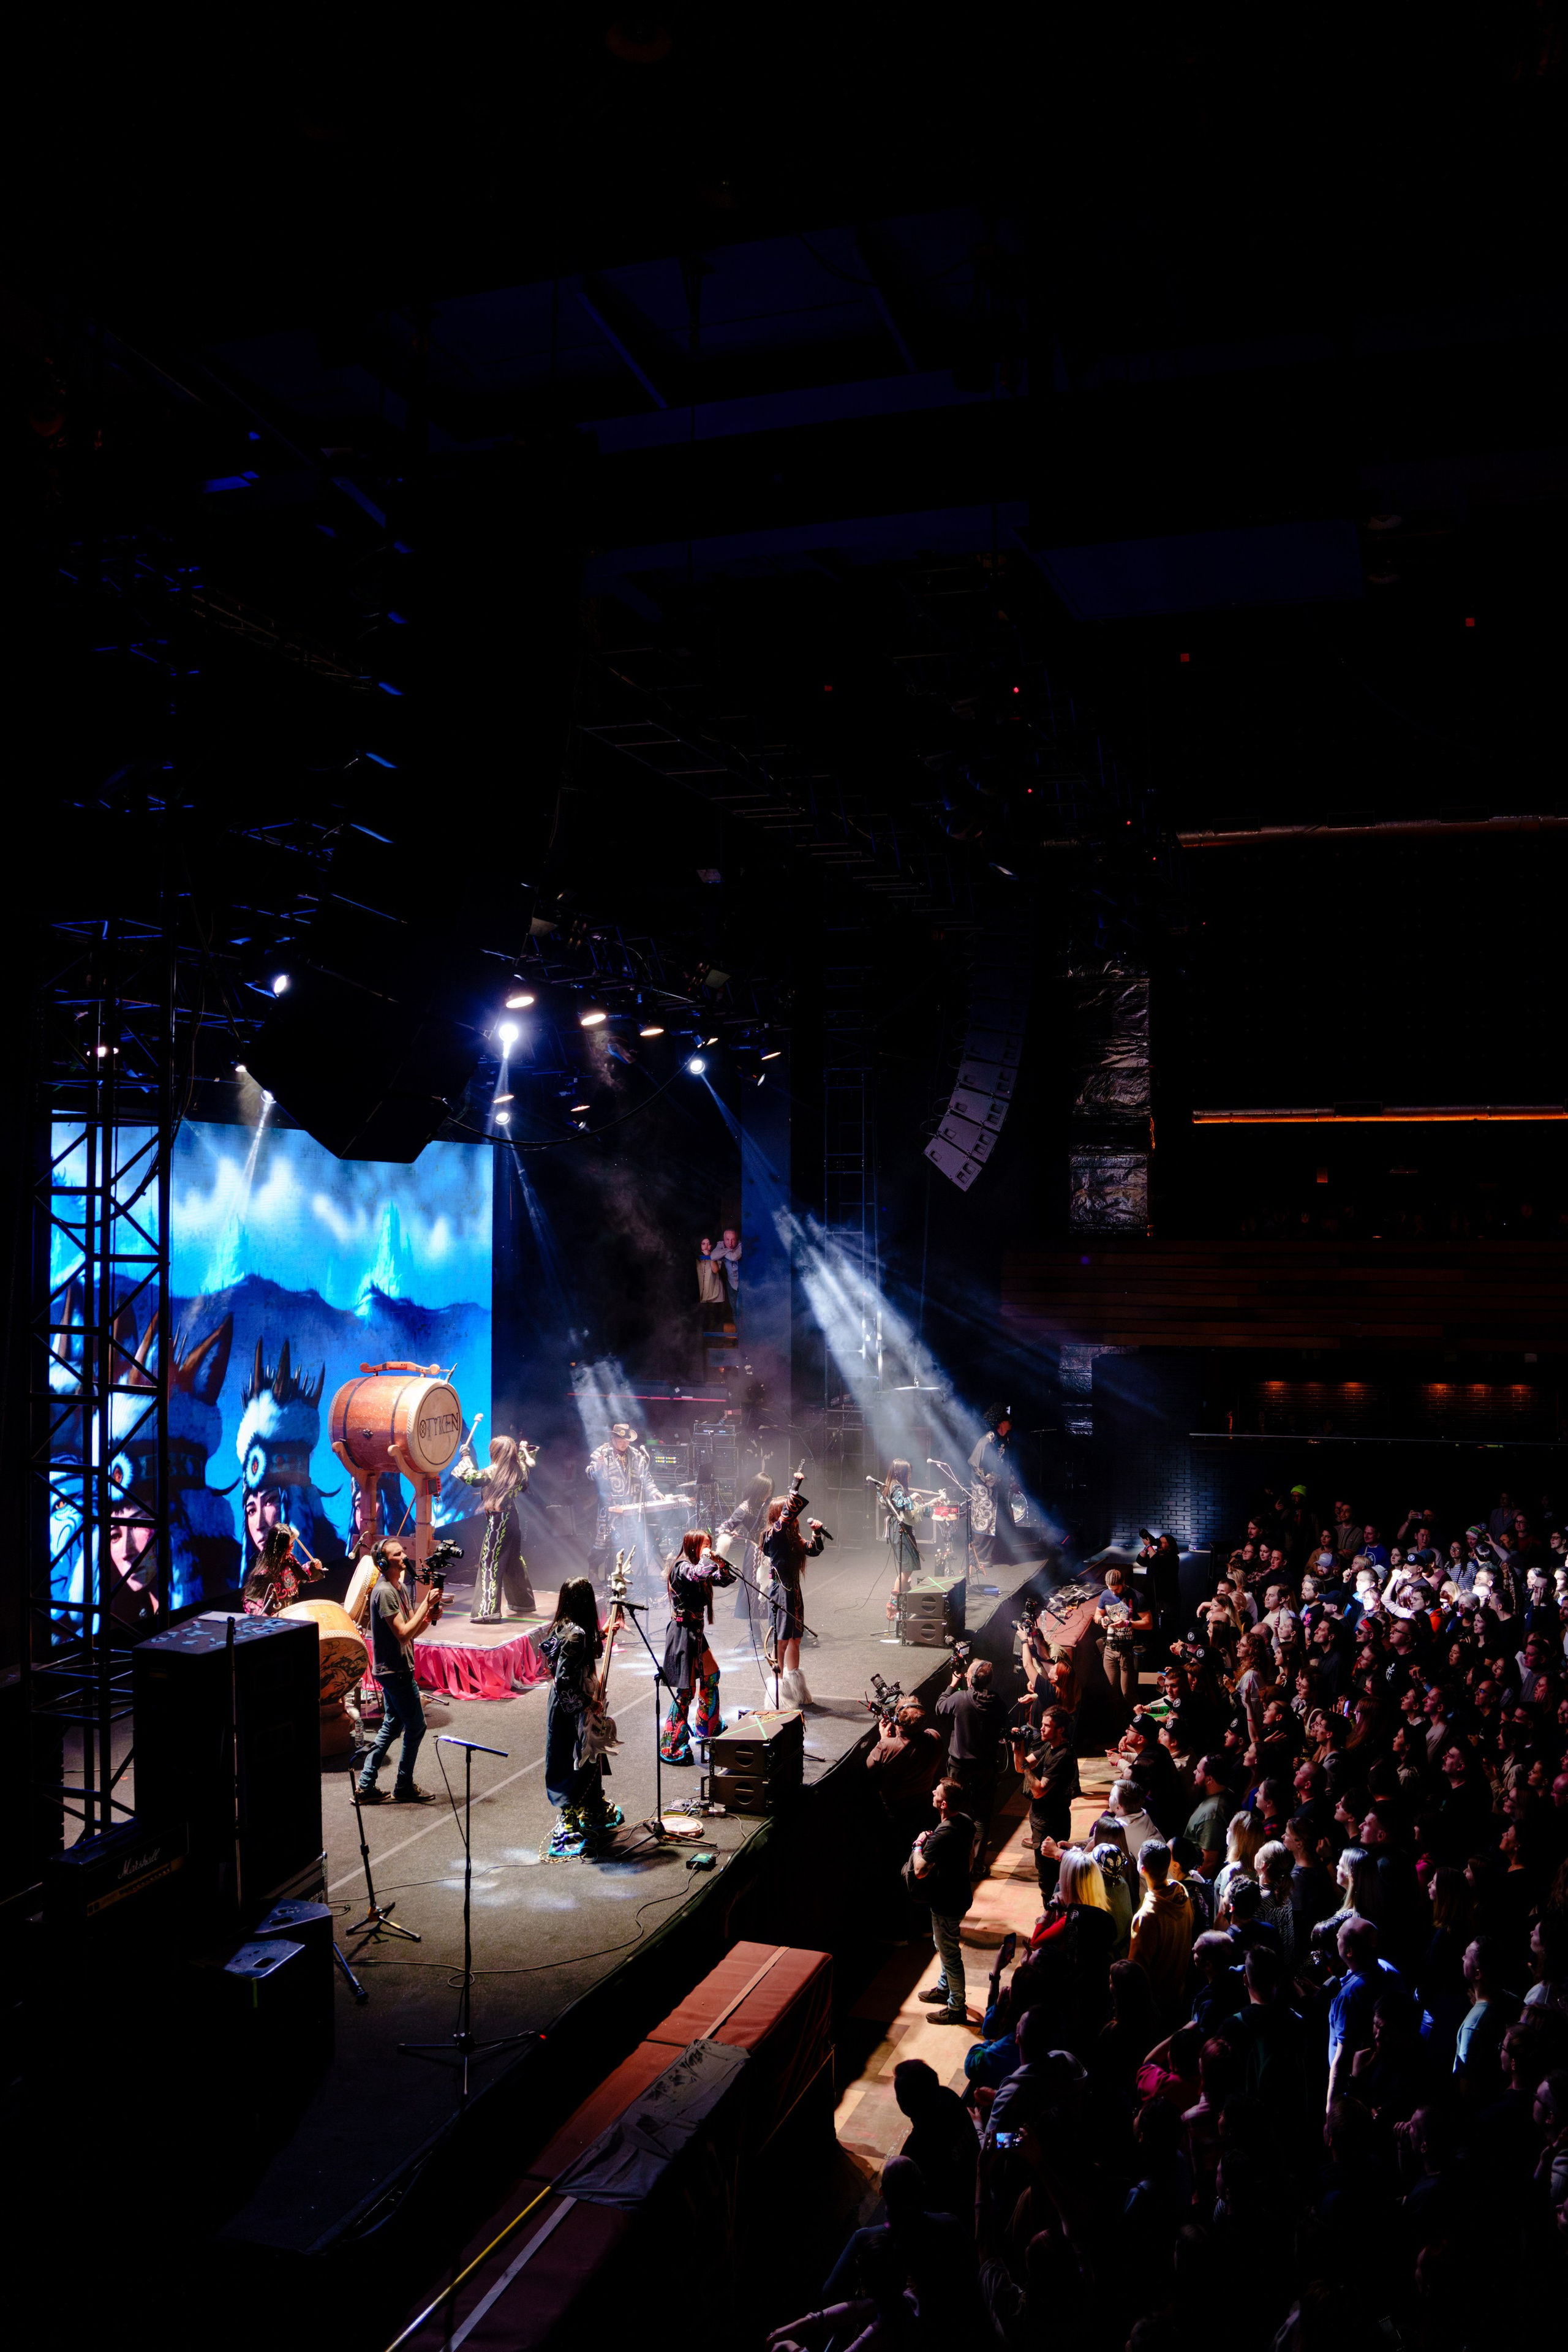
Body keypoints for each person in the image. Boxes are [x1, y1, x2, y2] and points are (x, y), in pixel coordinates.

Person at [540, 1575, 625, 1859]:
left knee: (589, 1755)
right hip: (572, 1707)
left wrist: (604, 1633)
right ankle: (570, 1820)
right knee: (573, 1758)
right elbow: (565, 1680)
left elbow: (579, 1654)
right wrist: (589, 1703)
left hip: (566, 1704)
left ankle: (592, 1808)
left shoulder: (565, 1626)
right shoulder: (576, 1634)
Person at [355, 1539, 442, 1805]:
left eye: (403, 1551)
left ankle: (365, 1786)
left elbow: (412, 1631)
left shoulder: (400, 1588)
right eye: (397, 1554)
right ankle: (403, 1785)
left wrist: (428, 1617)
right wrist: (426, 1603)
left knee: (392, 1726)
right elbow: (402, 1634)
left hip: (398, 1669)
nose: (404, 1556)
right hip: (395, 1672)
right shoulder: (384, 1592)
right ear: (384, 1562)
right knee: (417, 1727)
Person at [658, 1529, 734, 1763]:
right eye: (704, 1544)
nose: (708, 1547)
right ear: (693, 1546)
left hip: (696, 1633)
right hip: (682, 1634)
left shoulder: (701, 1567)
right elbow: (698, 1574)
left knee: (711, 1677)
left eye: (710, 1543)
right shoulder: (682, 1567)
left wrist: (722, 1563)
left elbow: (725, 1580)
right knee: (686, 1692)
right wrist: (708, 1558)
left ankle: (707, 1727)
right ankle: (671, 1746)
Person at [451, 1427, 537, 1620]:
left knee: (489, 1562)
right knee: (513, 1560)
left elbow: (471, 1478)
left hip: (499, 1521)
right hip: (512, 1518)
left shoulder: (494, 1471)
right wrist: (524, 1451)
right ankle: (523, 1602)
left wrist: (465, 1456)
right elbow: (525, 1466)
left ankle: (486, 1611)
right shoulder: (519, 1469)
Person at [910, 1777, 976, 2022]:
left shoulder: (942, 1834)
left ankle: (956, 2008)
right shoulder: (966, 1822)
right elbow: (969, 1856)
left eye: (936, 1793)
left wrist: (918, 1845)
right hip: (961, 1895)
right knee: (943, 1944)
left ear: (944, 1804)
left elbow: (920, 1870)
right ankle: (944, 1988)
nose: (933, 1794)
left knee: (949, 1953)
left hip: (946, 1903)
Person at [763, 1487, 824, 1708]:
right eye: (790, 1513)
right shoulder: (773, 1534)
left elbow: (813, 1549)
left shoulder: (791, 1535)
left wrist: (816, 1534)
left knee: (795, 1639)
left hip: (794, 1591)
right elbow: (785, 1518)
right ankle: (778, 1695)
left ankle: (797, 1689)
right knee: (781, 1641)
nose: (794, 1517)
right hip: (781, 1592)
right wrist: (795, 1487)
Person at [1012, 1705, 1080, 1898]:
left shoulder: (1063, 1755)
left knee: (1048, 1878)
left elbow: (1039, 1790)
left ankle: (1052, 1911)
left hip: (1052, 1824)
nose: (1041, 1729)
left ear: (1060, 1729)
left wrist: (1025, 1767)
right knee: (1046, 1874)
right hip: (1041, 1820)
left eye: (1047, 1726)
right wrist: (1017, 1747)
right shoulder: (1049, 1747)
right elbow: (1021, 1767)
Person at [936, 1654, 1007, 1838]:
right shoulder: (998, 1702)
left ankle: (957, 1848)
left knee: (954, 1810)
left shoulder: (960, 1698)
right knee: (982, 1815)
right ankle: (977, 1855)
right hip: (986, 1767)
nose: (966, 1676)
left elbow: (940, 1708)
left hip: (959, 1766)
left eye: (968, 1674)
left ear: (973, 1680)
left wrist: (953, 1684)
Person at [1128, 1838, 1195, 2025]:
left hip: (1155, 2006)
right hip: (1179, 1994)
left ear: (1142, 1869)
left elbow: (1136, 1970)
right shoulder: (1182, 1893)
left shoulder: (1146, 1917)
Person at [583, 1422, 655, 1589]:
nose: (625, 1443)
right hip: (609, 1507)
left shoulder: (635, 1454)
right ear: (613, 1438)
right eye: (621, 1440)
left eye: (627, 1440)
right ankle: (593, 1571)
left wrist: (654, 1491)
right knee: (602, 1542)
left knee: (628, 1542)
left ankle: (621, 1573)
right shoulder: (602, 1453)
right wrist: (598, 1467)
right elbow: (589, 1474)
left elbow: (646, 1476)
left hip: (630, 1507)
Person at [717, 1469, 774, 1624]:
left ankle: (774, 1627)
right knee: (754, 1587)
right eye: (767, 1491)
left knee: (772, 1586)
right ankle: (754, 1630)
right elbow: (725, 1527)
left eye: (770, 1491)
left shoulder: (769, 1504)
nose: (769, 1494)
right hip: (755, 1551)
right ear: (759, 1490)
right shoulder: (745, 1508)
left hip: (771, 1550)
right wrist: (729, 1533)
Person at [880, 1457, 931, 1628]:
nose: (910, 1476)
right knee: (906, 1569)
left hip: (901, 1528)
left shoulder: (895, 1485)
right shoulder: (896, 1486)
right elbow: (901, 1504)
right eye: (908, 1473)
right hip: (899, 1529)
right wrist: (914, 1497)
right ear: (901, 1472)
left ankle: (904, 1600)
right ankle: (892, 1606)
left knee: (907, 1569)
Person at [241, 1520, 325, 1616]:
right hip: (274, 1621)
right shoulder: (264, 1572)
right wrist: (265, 1619)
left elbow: (300, 1576)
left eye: (293, 1544)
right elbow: (249, 1601)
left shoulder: (289, 1560)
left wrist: (314, 1566)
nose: (292, 1548)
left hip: (289, 1614)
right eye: (288, 1546)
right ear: (279, 1547)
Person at [967, 1403, 1013, 1575]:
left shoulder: (1006, 1439)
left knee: (994, 1521)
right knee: (983, 1519)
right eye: (1008, 1420)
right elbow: (975, 1462)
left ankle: (989, 1556)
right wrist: (988, 1479)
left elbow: (1006, 1463)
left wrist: (1009, 1480)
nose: (1011, 1423)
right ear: (1001, 1422)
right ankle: (977, 1557)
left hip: (995, 1486)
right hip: (982, 1486)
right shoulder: (988, 1439)